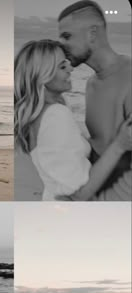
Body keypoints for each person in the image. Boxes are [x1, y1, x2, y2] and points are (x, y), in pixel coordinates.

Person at [14, 40, 132, 201]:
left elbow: (61, 156)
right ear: (43, 76)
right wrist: (119, 145)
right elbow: (80, 192)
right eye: (62, 67)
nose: (71, 69)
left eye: (68, 63)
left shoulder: (41, 115)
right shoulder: (55, 115)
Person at [58, 0, 132, 200]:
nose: (61, 44)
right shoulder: (91, 83)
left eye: (67, 36)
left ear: (92, 34)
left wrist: (98, 202)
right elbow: (102, 145)